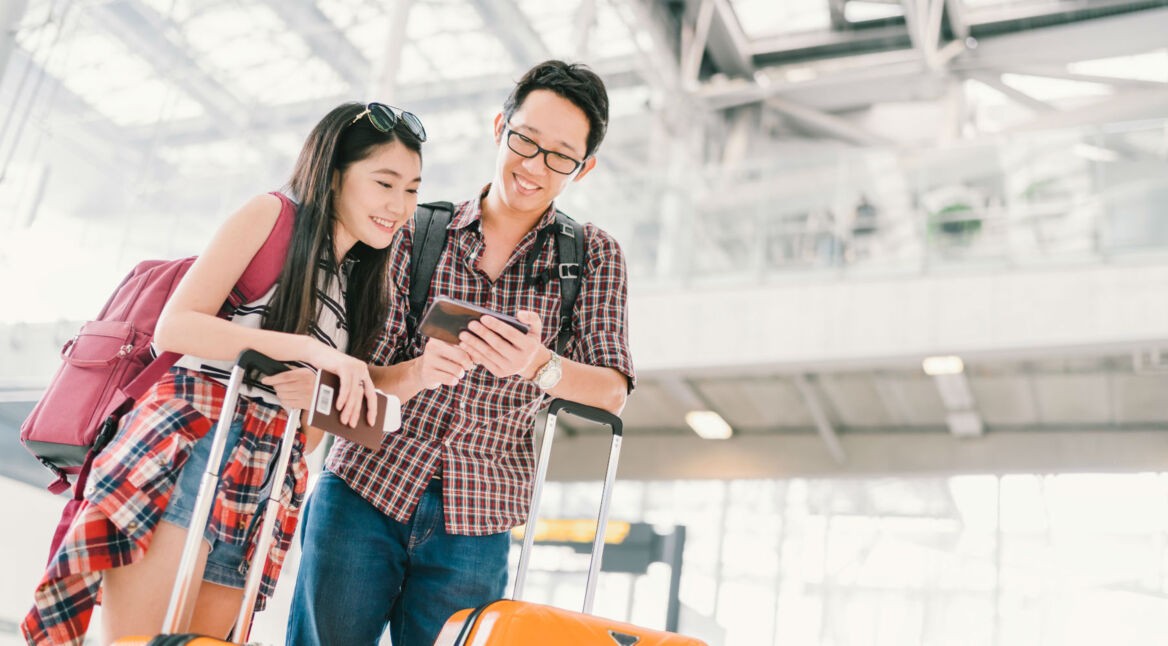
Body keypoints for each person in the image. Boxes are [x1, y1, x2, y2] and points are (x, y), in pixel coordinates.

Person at [21, 101, 455, 645]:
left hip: (268, 475)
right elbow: (176, 328)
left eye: (412, 190)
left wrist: (403, 375)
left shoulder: (362, 283)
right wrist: (309, 352)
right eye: (384, 183)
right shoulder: (272, 215)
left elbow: (316, 430)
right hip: (191, 443)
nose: (399, 205)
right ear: (334, 173)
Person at [287, 60, 636, 646]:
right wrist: (420, 372)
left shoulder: (593, 256)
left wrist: (536, 364)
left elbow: (612, 390)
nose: (534, 166)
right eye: (526, 140)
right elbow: (352, 372)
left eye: (560, 156)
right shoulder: (415, 230)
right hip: (363, 491)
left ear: (584, 166)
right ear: (500, 125)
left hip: (477, 519)